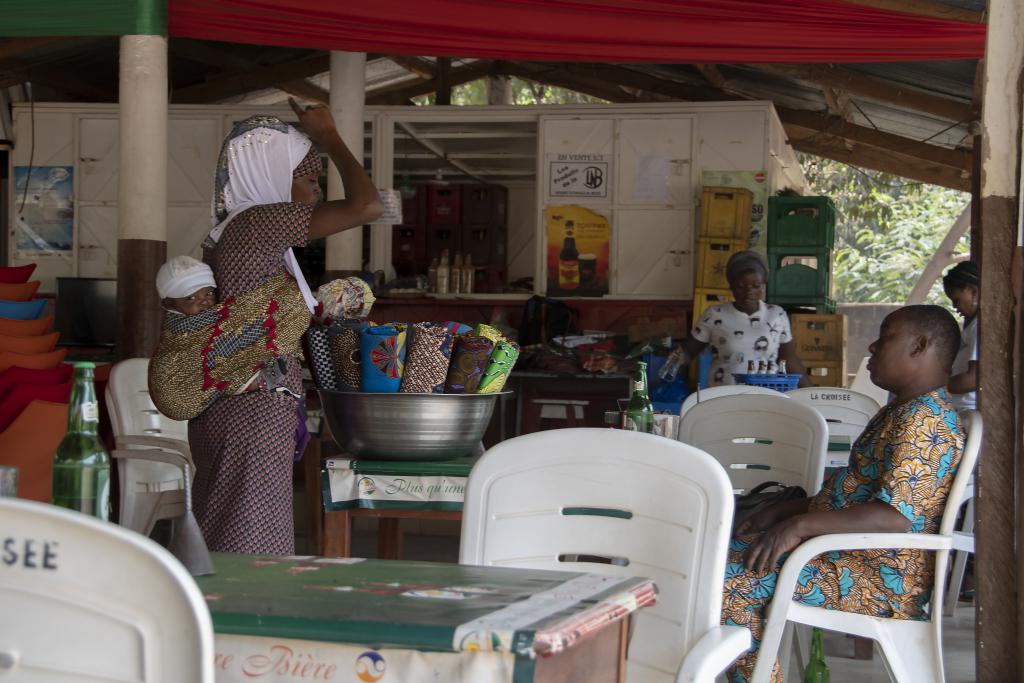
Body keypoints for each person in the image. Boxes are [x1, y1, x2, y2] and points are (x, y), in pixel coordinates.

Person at [720, 305, 965, 682]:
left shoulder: (925, 421)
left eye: (885, 337)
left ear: (920, 346)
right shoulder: (901, 410)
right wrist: (785, 511)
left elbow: (893, 517)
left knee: (727, 584)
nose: (871, 346)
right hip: (842, 556)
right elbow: (854, 495)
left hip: (877, 578)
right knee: (714, 562)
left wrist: (800, 525)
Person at [188, 98, 382, 555]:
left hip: (236, 404)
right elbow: (367, 205)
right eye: (308, 178)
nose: (315, 192)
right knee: (249, 530)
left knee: (229, 518)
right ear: (269, 172)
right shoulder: (259, 223)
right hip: (253, 407)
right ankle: (240, 613)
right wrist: (330, 136)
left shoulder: (230, 232)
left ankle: (217, 612)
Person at [667, 250, 809, 387]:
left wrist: (813, 395)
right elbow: (689, 351)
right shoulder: (715, 314)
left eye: (755, 286)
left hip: (765, 395)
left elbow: (789, 360)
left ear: (763, 285)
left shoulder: (777, 315)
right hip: (724, 395)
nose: (749, 292)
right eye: (741, 286)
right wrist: (675, 359)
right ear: (731, 287)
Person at [943, 260, 979, 411]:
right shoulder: (973, 326)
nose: (955, 307)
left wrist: (932, 386)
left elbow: (973, 380)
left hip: (967, 413)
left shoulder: (980, 327)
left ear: (973, 291)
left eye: (956, 300)